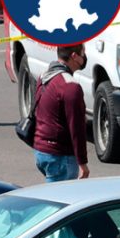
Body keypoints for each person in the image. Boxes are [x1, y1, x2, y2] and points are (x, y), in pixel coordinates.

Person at [33, 43, 89, 183]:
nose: (84, 57)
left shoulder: (45, 76)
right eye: (83, 53)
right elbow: (76, 127)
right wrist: (82, 162)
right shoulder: (70, 86)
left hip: (42, 150)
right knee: (61, 202)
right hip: (60, 156)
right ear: (74, 56)